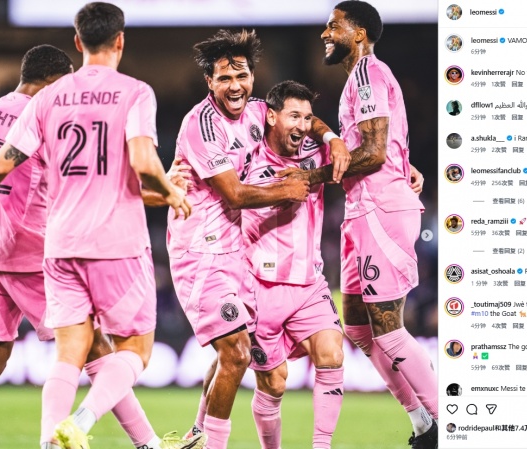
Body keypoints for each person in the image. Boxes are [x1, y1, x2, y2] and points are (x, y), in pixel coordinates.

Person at [0, 3, 192, 448]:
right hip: (35, 250)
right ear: (120, 40)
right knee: (102, 352)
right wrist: (166, 191)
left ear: (78, 39)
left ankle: (61, 441)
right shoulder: (88, 100)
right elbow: (84, 184)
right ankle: (142, 443)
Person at [168, 29, 346, 449]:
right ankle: (208, 441)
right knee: (236, 352)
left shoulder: (256, 112)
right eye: (224, 78)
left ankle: (197, 432)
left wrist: (331, 137)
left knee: (234, 350)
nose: (235, 86)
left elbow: (300, 114)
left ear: (252, 77)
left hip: (236, 252)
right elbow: (234, 194)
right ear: (209, 81)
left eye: (242, 76)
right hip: (201, 252)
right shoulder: (201, 124)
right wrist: (287, 190)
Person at [278, 2, 439, 447]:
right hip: (362, 209)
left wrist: (310, 178)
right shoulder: (359, 80)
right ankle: (424, 424)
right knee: (358, 327)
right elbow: (381, 146)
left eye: (335, 26)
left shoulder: (368, 72)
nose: (325, 33)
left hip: (380, 210)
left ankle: (451, 424)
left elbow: (373, 152)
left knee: (388, 326)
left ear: (360, 33)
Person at [240, 80, 345, 449]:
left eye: (307, 118)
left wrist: (333, 137)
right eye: (293, 116)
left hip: (309, 283)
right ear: (271, 117)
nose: (301, 125)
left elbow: (365, 158)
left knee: (332, 353)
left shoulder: (317, 153)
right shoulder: (247, 154)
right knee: (274, 382)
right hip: (259, 288)